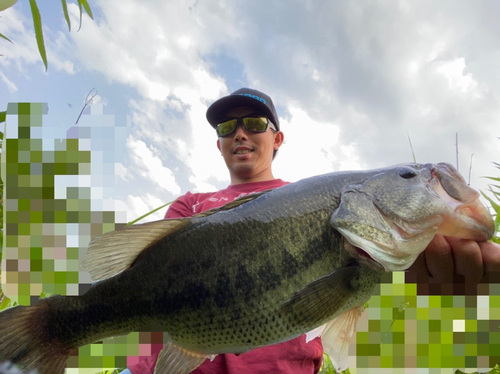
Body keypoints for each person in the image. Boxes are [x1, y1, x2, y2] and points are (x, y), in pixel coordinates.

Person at [123, 88, 500, 374]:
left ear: (277, 139)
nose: (240, 133)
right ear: (219, 143)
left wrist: (433, 275)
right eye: (227, 127)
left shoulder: (316, 201)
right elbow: (135, 283)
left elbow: (374, 288)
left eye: (254, 124)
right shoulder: (189, 207)